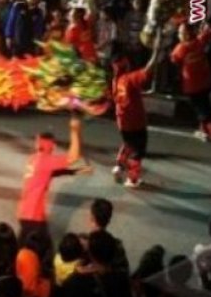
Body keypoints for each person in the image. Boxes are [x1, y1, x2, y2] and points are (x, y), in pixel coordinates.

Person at [16, 114, 85, 243]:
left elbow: (49, 174)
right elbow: (73, 158)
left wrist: (76, 170)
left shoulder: (33, 159)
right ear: (52, 146)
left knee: (25, 250)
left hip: (24, 213)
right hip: (34, 217)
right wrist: (75, 131)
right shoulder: (45, 160)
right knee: (41, 252)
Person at [170, 22, 211, 152]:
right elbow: (208, 32)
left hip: (192, 87)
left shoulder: (181, 48)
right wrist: (205, 25)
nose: (178, 35)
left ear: (186, 34)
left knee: (204, 114)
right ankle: (203, 131)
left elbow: (173, 59)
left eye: (180, 33)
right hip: (206, 83)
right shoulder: (199, 42)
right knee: (204, 109)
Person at [110, 39, 162, 188]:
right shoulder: (130, 78)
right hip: (136, 121)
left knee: (128, 143)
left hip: (122, 121)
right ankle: (132, 179)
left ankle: (119, 166)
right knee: (138, 152)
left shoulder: (116, 80)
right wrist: (156, 52)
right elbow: (148, 70)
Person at [87, 198, 129, 273]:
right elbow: (124, 269)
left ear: (92, 217)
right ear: (109, 220)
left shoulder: (85, 243)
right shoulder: (117, 244)